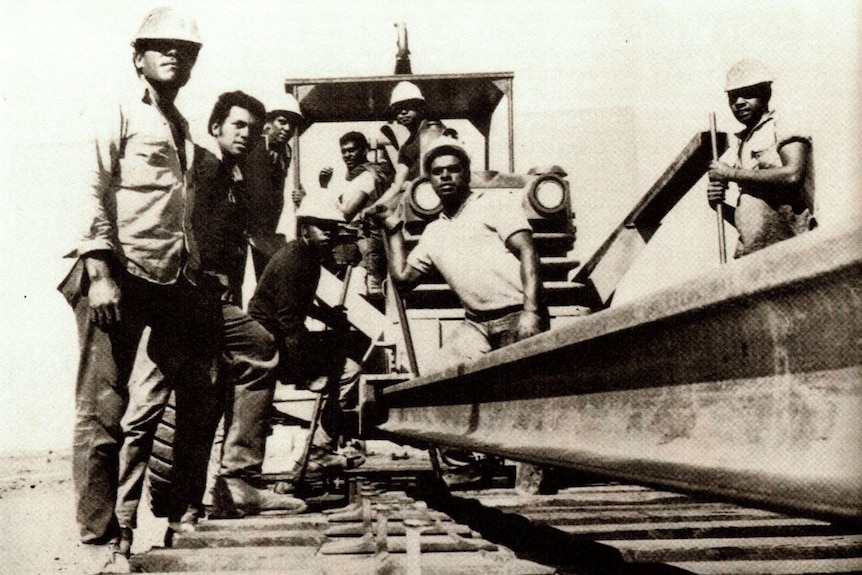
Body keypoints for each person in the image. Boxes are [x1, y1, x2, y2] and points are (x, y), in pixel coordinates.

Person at [56, 7, 218, 571]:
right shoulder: (119, 110)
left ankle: (150, 525)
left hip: (168, 280)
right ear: (138, 58)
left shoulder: (181, 127)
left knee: (158, 405)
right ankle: (98, 545)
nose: (175, 54)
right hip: (114, 276)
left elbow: (177, 212)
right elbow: (88, 187)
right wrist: (99, 270)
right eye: (162, 46)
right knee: (102, 408)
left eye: (185, 49)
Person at [114, 91, 306, 550]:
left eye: (253, 130)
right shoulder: (197, 166)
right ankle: (120, 527)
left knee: (203, 404)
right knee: (146, 409)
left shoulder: (233, 176)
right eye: (238, 126)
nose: (247, 136)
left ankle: (199, 503)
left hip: (204, 307)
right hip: (173, 299)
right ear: (215, 126)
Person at [379, 136, 549, 366]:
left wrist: (532, 312)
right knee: (437, 378)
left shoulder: (494, 204)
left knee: (515, 384)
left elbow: (528, 252)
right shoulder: (433, 232)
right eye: (438, 172)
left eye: (453, 169)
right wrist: (393, 229)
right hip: (475, 324)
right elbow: (403, 280)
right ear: (429, 181)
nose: (445, 176)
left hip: (517, 315)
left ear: (467, 174)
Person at [242, 193, 367, 482]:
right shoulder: (295, 261)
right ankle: (320, 449)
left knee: (343, 360)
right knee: (348, 371)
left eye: (331, 228)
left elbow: (300, 302)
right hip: (269, 343)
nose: (328, 234)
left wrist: (329, 317)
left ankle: (321, 447)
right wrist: (306, 374)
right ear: (304, 230)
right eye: (322, 227)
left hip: (279, 336)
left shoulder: (308, 255)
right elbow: (290, 324)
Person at [708, 59, 815, 258]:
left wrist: (731, 173)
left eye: (747, 94)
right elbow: (753, 226)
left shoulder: (782, 124)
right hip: (754, 258)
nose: (738, 103)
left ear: (765, 93)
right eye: (733, 97)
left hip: (792, 252)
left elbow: (793, 175)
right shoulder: (742, 143)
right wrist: (718, 205)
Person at [319, 131, 392, 300]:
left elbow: (345, 214)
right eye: (343, 151)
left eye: (351, 151)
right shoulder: (358, 177)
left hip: (367, 243)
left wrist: (322, 190)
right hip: (361, 241)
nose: (347, 156)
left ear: (364, 151)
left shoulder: (367, 176)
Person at [246, 94, 305, 278]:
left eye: (292, 124)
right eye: (282, 122)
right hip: (246, 231)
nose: (287, 129)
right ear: (267, 122)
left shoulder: (284, 153)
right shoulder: (251, 145)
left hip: (268, 231)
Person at [359, 81, 428, 219]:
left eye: (408, 107)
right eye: (398, 109)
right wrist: (374, 207)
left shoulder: (434, 133)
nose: (403, 112)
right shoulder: (406, 148)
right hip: (421, 201)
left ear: (420, 108)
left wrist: (413, 183)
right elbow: (397, 185)